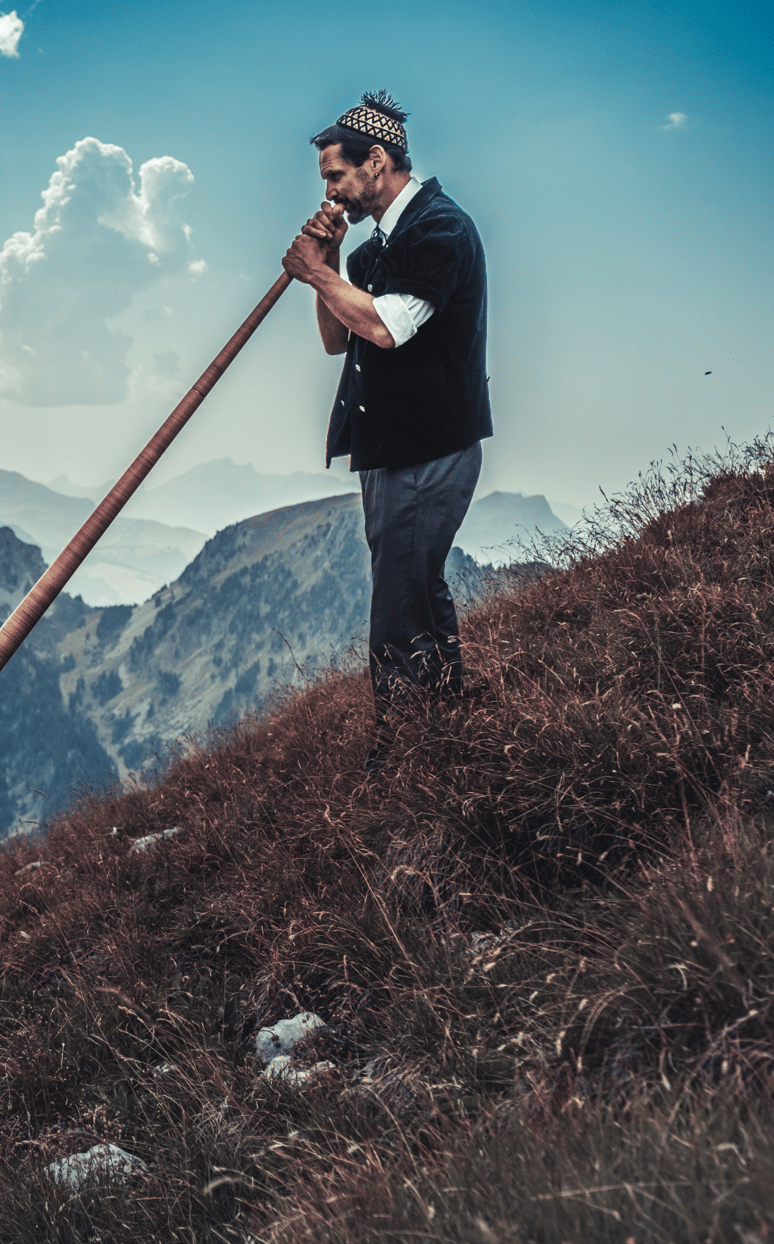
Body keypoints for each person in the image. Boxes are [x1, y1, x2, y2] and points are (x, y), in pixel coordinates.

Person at [280, 91, 491, 763]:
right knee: (413, 584)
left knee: (398, 601)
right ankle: (448, 719)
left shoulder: (439, 229)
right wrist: (332, 268)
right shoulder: (373, 251)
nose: (331, 191)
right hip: (389, 450)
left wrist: (315, 271)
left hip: (431, 448)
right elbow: (338, 342)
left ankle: (405, 752)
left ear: (376, 162)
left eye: (335, 175)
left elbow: (385, 326)